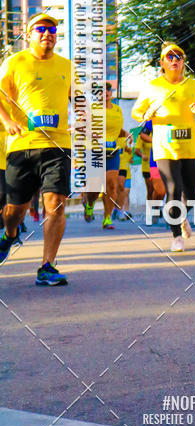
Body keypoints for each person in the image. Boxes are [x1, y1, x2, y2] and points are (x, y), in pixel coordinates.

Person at [0, 14, 71, 285]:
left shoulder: (66, 66)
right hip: (22, 145)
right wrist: (7, 122)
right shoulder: (15, 62)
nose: (47, 34)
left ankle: (47, 266)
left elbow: (77, 97)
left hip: (57, 145)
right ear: (28, 35)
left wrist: (83, 118)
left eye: (52, 29)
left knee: (55, 204)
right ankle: (9, 234)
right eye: (40, 29)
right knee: (15, 209)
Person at [132, 43, 195, 252]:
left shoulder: (193, 85)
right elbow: (136, 112)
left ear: (183, 61)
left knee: (192, 193)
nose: (174, 60)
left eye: (178, 56)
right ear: (162, 62)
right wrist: (145, 115)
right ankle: (176, 235)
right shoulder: (153, 86)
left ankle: (181, 217)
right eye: (170, 57)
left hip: (190, 148)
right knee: (173, 189)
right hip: (164, 149)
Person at [82, 82, 130, 230]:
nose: (106, 92)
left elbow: (117, 130)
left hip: (112, 152)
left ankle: (107, 218)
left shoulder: (117, 110)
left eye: (108, 89)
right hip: (95, 152)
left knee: (111, 185)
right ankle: (89, 204)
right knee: (95, 187)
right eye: (101, 91)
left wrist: (126, 134)